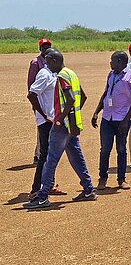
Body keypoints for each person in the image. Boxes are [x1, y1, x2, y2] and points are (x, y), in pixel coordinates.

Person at [23, 49, 96, 209]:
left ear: (55, 61)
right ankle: (89, 189)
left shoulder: (62, 76)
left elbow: (70, 99)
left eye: (48, 62)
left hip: (62, 126)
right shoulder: (72, 74)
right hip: (72, 124)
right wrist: (73, 117)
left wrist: (60, 119)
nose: (47, 65)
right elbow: (82, 97)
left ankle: (42, 197)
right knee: (76, 156)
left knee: (51, 159)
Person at [92, 51, 131, 190]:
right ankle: (102, 178)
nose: (110, 63)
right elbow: (106, 93)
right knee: (105, 149)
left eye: (112, 60)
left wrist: (126, 119)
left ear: (120, 61)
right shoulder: (111, 75)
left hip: (122, 119)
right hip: (107, 118)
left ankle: (121, 179)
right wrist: (96, 111)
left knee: (121, 149)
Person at [26, 48, 66, 200]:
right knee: (44, 155)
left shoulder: (53, 73)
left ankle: (49, 185)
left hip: (53, 119)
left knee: (51, 154)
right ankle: (36, 189)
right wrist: (43, 115)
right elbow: (31, 94)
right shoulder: (44, 74)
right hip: (46, 122)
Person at [27, 38, 52, 164]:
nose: (46, 48)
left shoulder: (51, 61)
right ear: (40, 48)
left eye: (48, 46)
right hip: (39, 100)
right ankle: (38, 155)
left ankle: (42, 153)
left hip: (49, 101)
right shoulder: (36, 62)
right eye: (44, 46)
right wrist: (34, 103)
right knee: (42, 127)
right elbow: (31, 84)